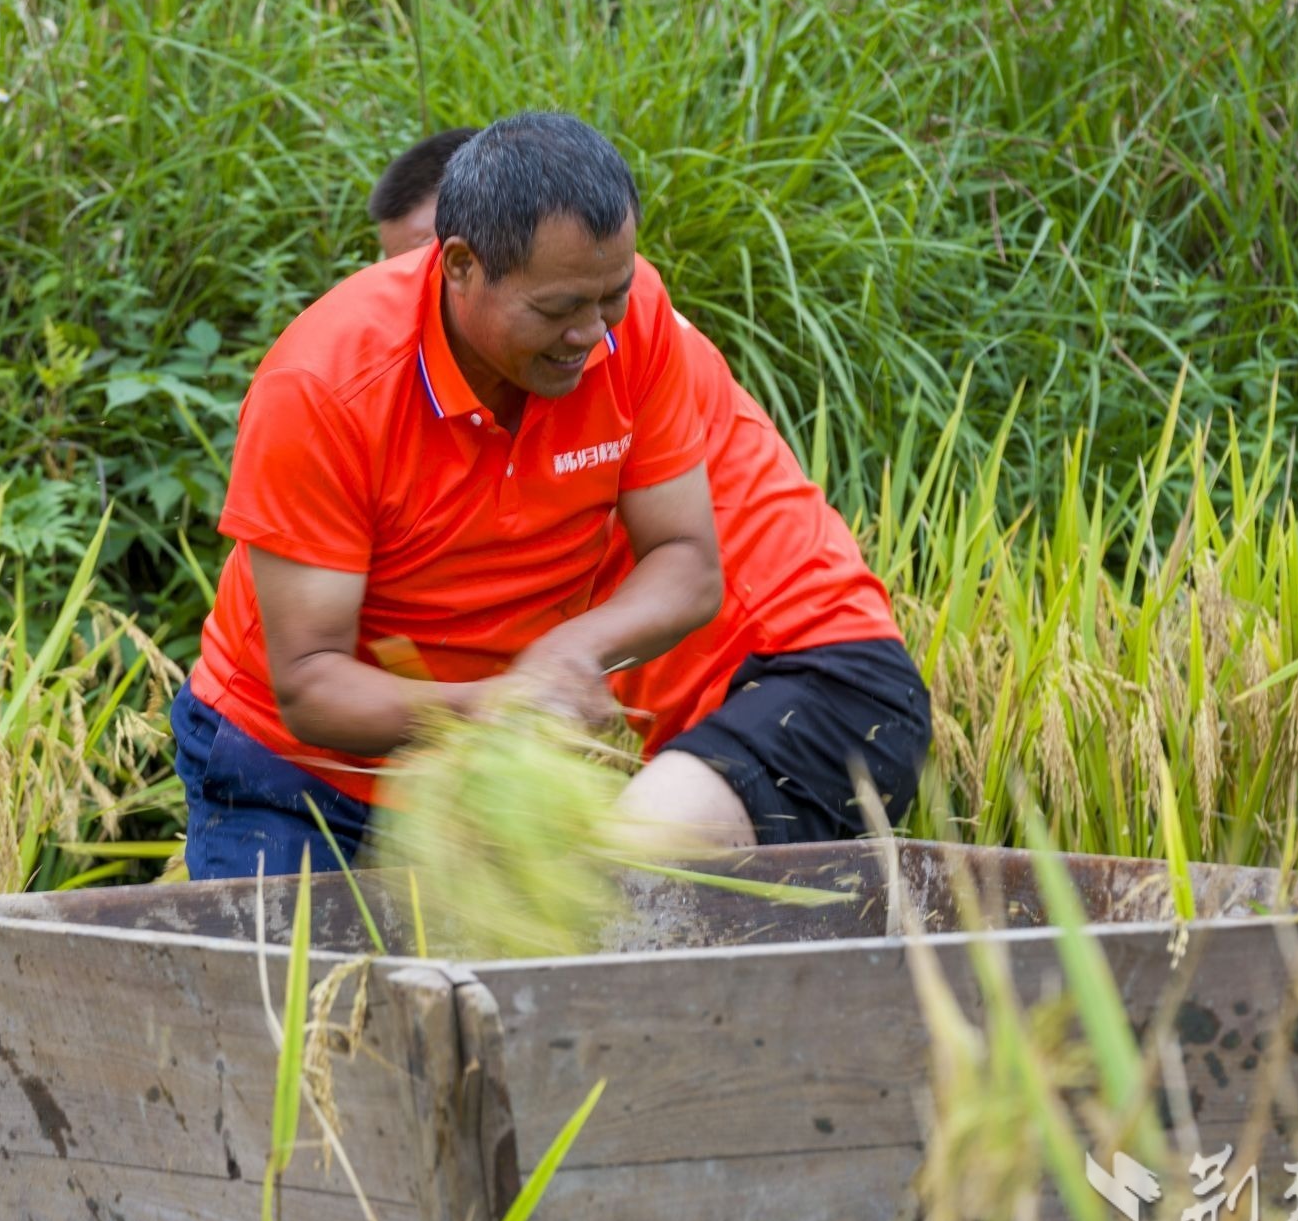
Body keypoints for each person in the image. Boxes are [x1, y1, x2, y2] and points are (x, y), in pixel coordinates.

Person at [173, 113, 723, 879]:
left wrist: (567, 655)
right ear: (460, 265)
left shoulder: (634, 323)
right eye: (558, 309)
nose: (593, 334)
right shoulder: (325, 387)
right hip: (295, 774)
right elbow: (310, 683)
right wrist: (498, 706)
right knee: (288, 996)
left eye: (611, 297)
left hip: (493, 778)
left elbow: (688, 561)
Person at [370, 128, 932, 850]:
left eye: (427, 261)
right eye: (396, 270)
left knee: (595, 899)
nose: (420, 295)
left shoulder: (602, 353)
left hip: (815, 681)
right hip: (702, 730)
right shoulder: (459, 381)